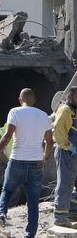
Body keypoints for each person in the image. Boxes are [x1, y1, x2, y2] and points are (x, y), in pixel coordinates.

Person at [0, 88, 53, 238]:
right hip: (36, 164)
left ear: (20, 100)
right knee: (33, 203)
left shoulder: (15, 112)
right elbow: (49, 142)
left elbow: (7, 135)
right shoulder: (44, 116)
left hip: (17, 161)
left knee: (7, 190)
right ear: (34, 100)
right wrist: (45, 158)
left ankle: (2, 214)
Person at [52, 87, 77, 226]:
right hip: (67, 152)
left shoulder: (74, 111)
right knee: (65, 184)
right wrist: (69, 146)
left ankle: (73, 212)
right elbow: (58, 131)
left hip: (74, 154)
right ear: (71, 96)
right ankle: (60, 218)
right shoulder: (65, 110)